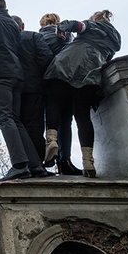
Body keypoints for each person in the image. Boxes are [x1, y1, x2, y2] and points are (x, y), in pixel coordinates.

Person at [0, 0, 51, 182]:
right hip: (18, 75)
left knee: (4, 117)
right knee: (15, 120)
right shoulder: (13, 24)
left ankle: (19, 165)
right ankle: (34, 165)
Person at [43, 10, 121, 177]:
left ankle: (51, 141)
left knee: (54, 101)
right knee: (82, 116)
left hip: (68, 63)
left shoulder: (93, 25)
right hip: (92, 71)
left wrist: (61, 29)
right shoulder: (114, 39)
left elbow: (74, 25)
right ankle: (88, 162)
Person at [39, 13, 81, 175]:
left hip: (48, 80)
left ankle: (50, 144)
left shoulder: (39, 36)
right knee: (66, 121)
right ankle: (65, 161)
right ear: (57, 22)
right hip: (68, 79)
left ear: (42, 23)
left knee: (47, 116)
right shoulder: (67, 35)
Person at [11, 15, 54, 162]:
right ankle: (38, 162)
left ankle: (24, 163)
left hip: (12, 89)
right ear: (22, 25)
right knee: (34, 125)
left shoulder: (5, 41)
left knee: (17, 127)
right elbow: (46, 58)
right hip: (34, 87)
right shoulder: (34, 36)